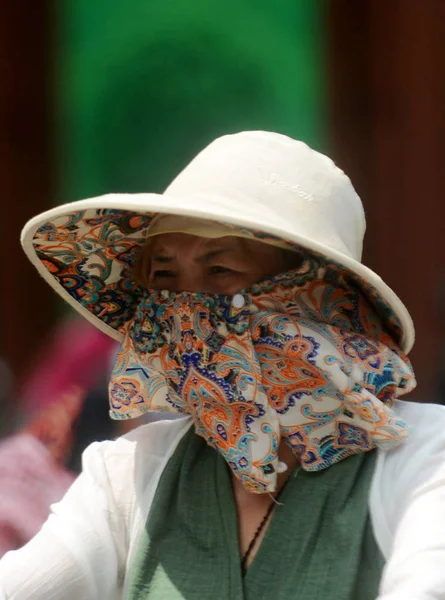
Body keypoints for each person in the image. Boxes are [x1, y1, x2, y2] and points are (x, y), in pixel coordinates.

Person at [1, 131, 445, 599]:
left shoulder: (422, 460)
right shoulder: (131, 473)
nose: (183, 309)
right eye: (164, 276)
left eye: (221, 271)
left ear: (317, 299)